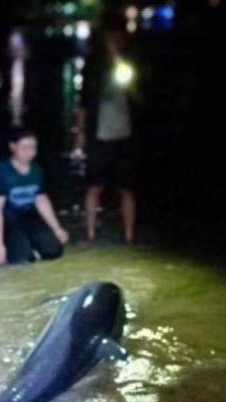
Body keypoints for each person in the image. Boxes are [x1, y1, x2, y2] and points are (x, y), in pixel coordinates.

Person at [73, 29, 139, 244]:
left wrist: (118, 59)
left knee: (127, 188)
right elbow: (82, 105)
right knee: (94, 186)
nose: (114, 43)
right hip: (99, 137)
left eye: (118, 39)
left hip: (125, 138)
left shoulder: (129, 65)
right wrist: (80, 135)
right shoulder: (93, 69)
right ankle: (90, 233)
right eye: (111, 40)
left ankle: (129, 237)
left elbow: (135, 92)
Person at [0, 129, 69, 265]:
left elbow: (41, 200)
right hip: (8, 219)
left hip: (29, 215)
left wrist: (57, 228)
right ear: (13, 146)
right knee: (22, 258)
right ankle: (16, 245)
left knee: (55, 251)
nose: (29, 152)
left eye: (33, 148)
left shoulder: (36, 169)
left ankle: (28, 244)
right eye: (24, 148)